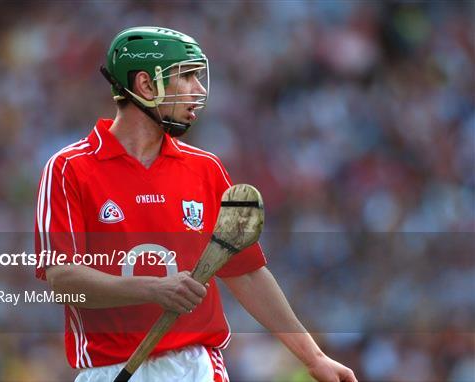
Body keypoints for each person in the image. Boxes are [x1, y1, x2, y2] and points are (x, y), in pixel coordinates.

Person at [35, 26, 357, 382]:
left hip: (198, 368)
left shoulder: (204, 168)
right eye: (186, 77)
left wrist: (313, 357)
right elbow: (64, 280)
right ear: (145, 85)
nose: (199, 90)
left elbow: (246, 271)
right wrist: (154, 288)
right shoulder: (69, 168)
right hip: (110, 371)